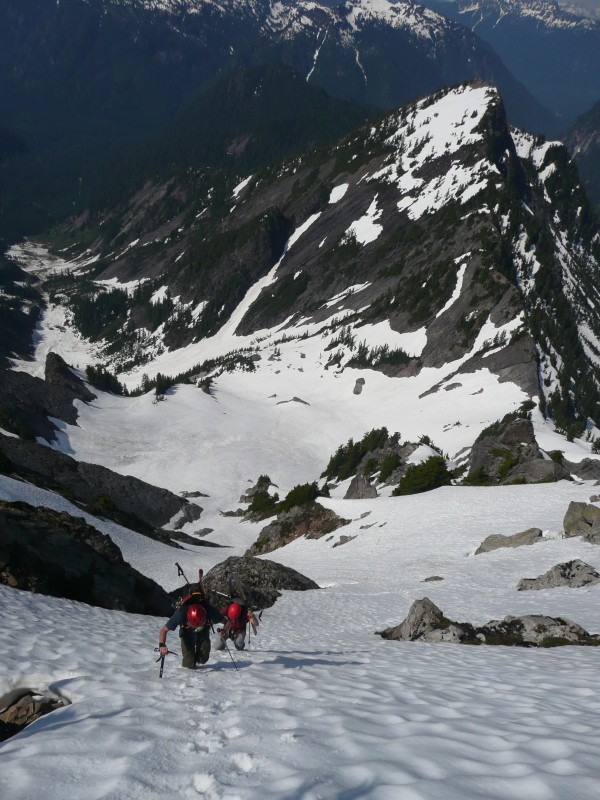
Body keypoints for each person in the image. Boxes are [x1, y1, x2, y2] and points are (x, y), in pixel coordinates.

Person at [159, 585, 224, 669]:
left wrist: (224, 630)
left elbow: (227, 621)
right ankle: (190, 659)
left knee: (203, 659)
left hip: (203, 634)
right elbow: (163, 630)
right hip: (186, 635)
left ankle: (195, 657)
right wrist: (162, 645)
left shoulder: (208, 609)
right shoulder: (180, 613)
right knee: (189, 665)